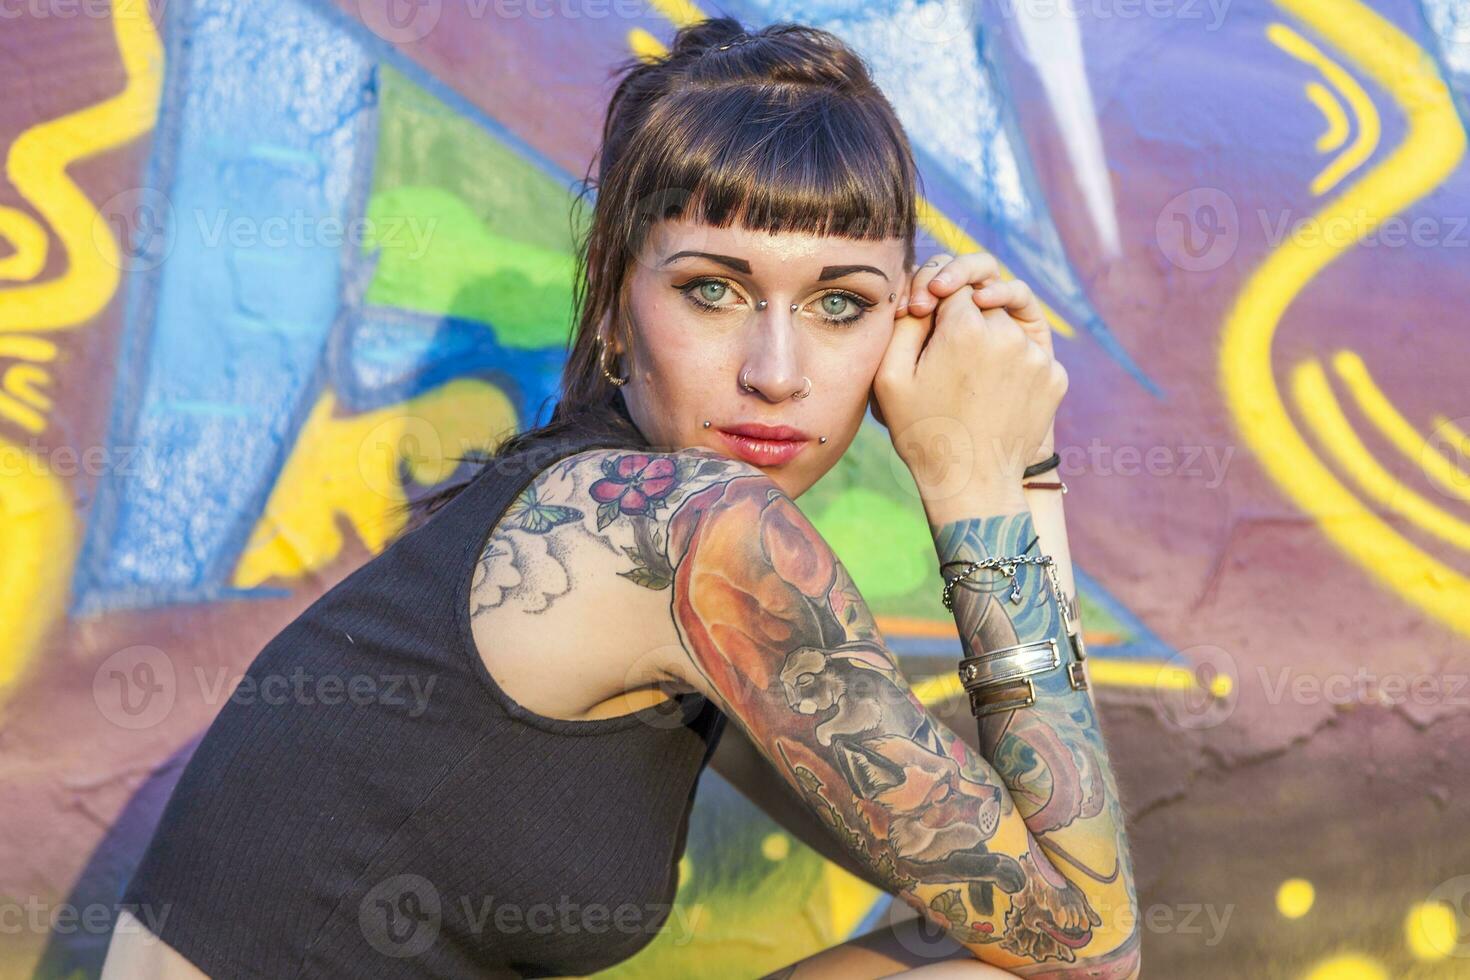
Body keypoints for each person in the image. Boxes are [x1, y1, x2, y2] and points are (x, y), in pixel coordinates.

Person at [102, 16, 1139, 979]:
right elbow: (1091, 941)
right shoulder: (690, 536)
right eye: (712, 290)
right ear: (611, 306)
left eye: (839, 303)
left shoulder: (634, 534)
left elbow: (1040, 891)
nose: (776, 369)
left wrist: (1023, 470)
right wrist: (974, 481)